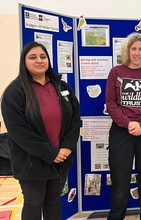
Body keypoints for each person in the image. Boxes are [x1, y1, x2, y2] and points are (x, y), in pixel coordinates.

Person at [0, 41, 80, 220]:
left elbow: (75, 119)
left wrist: (66, 147)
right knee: (33, 203)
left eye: (43, 57)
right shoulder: (15, 92)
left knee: (53, 201)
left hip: (60, 158)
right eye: (33, 57)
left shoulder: (61, 87)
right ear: (24, 62)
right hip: (31, 160)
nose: (39, 60)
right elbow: (19, 132)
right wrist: (50, 152)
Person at [105, 32, 141, 220]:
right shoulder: (116, 72)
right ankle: (116, 217)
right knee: (120, 181)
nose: (137, 53)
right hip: (122, 132)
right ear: (127, 51)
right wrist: (128, 123)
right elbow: (111, 103)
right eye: (133, 49)